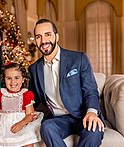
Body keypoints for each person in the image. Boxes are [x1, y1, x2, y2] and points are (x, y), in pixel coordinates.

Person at [28, 18, 105, 147]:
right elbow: (31, 99)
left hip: (83, 115)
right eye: (38, 37)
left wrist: (92, 112)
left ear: (56, 36)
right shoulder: (34, 69)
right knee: (46, 128)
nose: (43, 41)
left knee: (94, 130)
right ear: (35, 41)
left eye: (48, 35)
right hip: (58, 120)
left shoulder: (79, 59)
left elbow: (90, 90)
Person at [0, 62, 43, 147]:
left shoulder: (26, 94)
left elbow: (30, 115)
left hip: (22, 125)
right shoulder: (0, 93)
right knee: (0, 143)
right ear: (4, 79)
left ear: (23, 79)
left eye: (17, 78)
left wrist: (21, 123)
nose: (13, 82)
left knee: (27, 142)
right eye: (9, 78)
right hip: (3, 127)